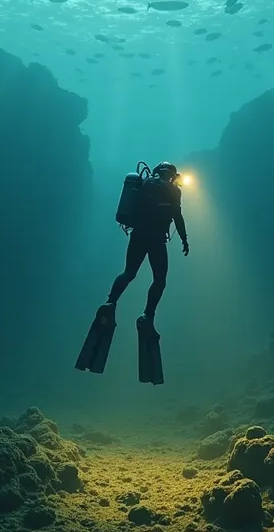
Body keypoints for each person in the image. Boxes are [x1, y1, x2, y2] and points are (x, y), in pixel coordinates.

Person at [75, 161, 188, 385]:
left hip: (138, 236)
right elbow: (177, 216)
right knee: (160, 279)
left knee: (129, 272)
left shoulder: (144, 183)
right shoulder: (174, 190)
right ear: (173, 175)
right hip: (156, 240)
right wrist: (184, 239)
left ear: (156, 171)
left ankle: (111, 302)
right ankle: (148, 315)